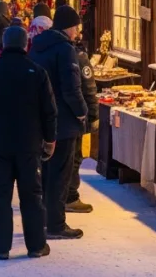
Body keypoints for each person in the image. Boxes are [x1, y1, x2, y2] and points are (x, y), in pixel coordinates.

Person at [0, 24, 56, 260]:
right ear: (25, 44)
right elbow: (49, 111)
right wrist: (50, 139)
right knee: (32, 195)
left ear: (3, 44)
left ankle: (1, 247)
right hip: (29, 143)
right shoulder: (37, 72)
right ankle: (36, 245)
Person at [27, 5, 87, 240]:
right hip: (63, 121)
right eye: (76, 27)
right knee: (60, 175)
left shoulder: (37, 47)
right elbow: (72, 87)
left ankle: (44, 219)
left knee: (47, 173)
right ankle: (56, 224)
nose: (76, 32)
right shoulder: (65, 49)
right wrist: (81, 112)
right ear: (69, 27)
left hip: (42, 120)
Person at [66, 31, 99, 214]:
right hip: (77, 117)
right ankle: (70, 196)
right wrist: (92, 114)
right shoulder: (79, 57)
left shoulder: (44, 52)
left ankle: (58, 195)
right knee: (75, 156)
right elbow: (88, 88)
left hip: (57, 118)